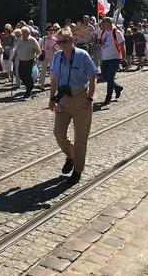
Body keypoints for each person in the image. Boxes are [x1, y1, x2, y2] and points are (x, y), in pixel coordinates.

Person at [49, 27, 98, 183]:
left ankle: (77, 170)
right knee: (58, 133)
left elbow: (92, 77)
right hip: (63, 99)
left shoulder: (83, 56)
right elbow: (54, 80)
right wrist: (51, 99)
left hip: (80, 99)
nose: (60, 45)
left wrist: (89, 98)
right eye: (58, 42)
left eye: (63, 42)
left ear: (71, 40)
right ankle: (71, 155)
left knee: (81, 138)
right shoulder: (57, 57)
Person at [99, 17, 125, 104]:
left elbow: (122, 45)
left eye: (103, 23)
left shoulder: (116, 32)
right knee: (104, 76)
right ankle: (117, 87)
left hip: (114, 58)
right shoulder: (102, 32)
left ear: (108, 23)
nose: (102, 24)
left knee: (109, 78)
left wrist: (123, 58)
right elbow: (102, 43)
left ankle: (108, 97)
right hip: (105, 58)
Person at [15, 26, 41, 97]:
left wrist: (36, 57)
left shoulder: (32, 40)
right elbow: (16, 49)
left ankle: (28, 90)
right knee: (21, 75)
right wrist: (14, 56)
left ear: (28, 33)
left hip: (30, 61)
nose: (23, 35)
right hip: (21, 61)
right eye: (22, 33)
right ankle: (30, 85)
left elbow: (39, 51)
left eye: (25, 33)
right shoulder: (19, 40)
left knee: (28, 76)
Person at [38, 24, 59, 89]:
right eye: (50, 30)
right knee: (43, 70)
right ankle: (41, 84)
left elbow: (57, 49)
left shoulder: (55, 39)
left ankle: (53, 84)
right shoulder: (44, 38)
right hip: (45, 56)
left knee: (52, 71)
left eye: (52, 30)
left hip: (52, 56)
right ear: (47, 31)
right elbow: (40, 46)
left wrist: (55, 49)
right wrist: (41, 51)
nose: (51, 31)